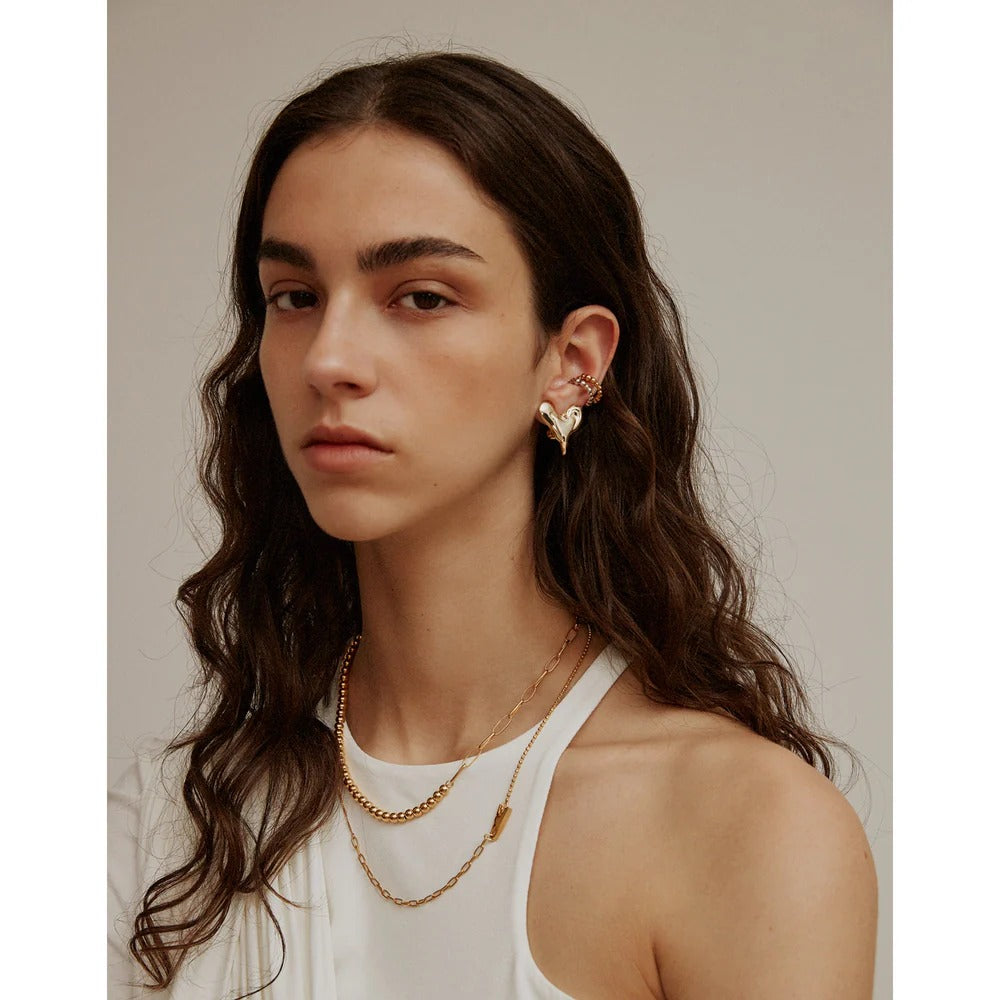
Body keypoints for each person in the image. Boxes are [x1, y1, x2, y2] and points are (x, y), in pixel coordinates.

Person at [108, 50, 878, 999]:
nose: (329, 360)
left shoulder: (743, 829)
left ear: (573, 361)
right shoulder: (170, 835)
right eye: (294, 298)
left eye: (422, 297)